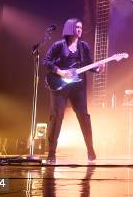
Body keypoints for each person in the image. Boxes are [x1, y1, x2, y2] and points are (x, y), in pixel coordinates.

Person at [42, 18, 105, 163]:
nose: (79, 29)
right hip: (59, 85)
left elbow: (89, 64)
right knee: (56, 117)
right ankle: (51, 153)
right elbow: (46, 60)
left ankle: (90, 150)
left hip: (78, 87)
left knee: (84, 116)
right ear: (69, 28)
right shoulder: (59, 45)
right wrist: (60, 72)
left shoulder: (84, 46)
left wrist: (98, 68)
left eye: (81, 27)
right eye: (77, 27)